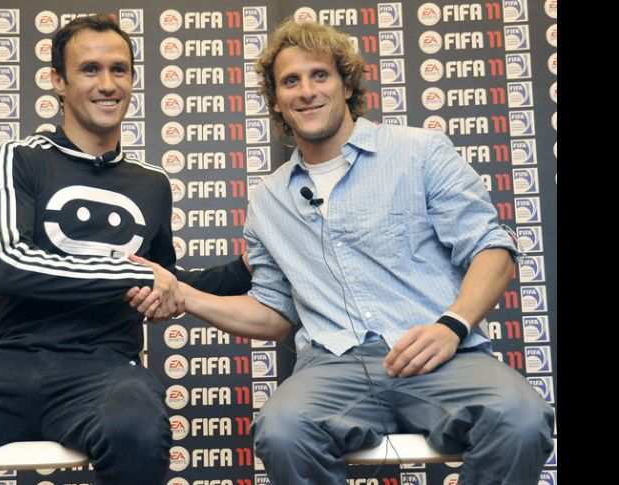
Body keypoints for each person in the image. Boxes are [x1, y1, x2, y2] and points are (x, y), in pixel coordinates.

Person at [128, 19, 554, 485]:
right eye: (290, 81)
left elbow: (491, 249)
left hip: (441, 354)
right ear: (276, 100)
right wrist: (185, 295)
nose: (307, 91)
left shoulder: (419, 152)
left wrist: (451, 326)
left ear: (346, 85)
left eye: (320, 75)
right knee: (283, 430)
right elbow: (274, 313)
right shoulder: (268, 200)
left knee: (521, 419)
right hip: (334, 367)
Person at [0, 14, 251, 485]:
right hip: (6, 364)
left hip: (104, 370)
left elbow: (165, 280)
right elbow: (12, 264)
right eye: (90, 69)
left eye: (119, 69)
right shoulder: (21, 157)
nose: (107, 84)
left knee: (137, 430)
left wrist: (244, 269)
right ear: (58, 81)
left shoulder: (152, 183)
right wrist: (134, 275)